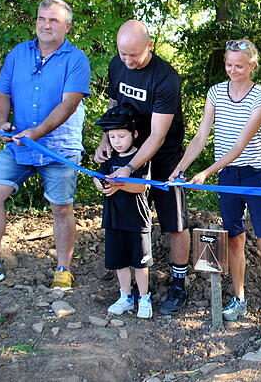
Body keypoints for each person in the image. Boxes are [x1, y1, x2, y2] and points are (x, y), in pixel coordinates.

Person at [0, 0, 91, 290]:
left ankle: (63, 269)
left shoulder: (76, 59)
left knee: (60, 208)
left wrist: (38, 132)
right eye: (42, 18)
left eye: (54, 20)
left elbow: (69, 104)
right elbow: (2, 91)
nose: (46, 25)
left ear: (67, 26)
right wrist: (3, 123)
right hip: (19, 145)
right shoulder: (18, 53)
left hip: (58, 149)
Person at [168, 38, 261, 338]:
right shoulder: (216, 92)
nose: (233, 70)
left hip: (257, 176)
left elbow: (239, 145)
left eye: (239, 66)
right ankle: (239, 298)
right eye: (229, 65)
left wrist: (206, 171)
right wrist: (180, 168)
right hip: (228, 177)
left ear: (252, 66)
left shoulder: (260, 97)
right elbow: (201, 135)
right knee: (234, 239)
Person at [94, 20, 190, 315]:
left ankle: (178, 283)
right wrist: (105, 141)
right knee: (124, 215)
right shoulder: (117, 64)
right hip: (125, 148)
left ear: (150, 46)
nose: (127, 60)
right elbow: (113, 105)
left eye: (133, 55)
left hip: (164, 156)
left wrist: (132, 169)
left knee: (174, 223)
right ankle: (129, 287)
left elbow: (158, 134)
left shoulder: (165, 78)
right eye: (122, 54)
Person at [93, 105, 153, 319]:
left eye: (121, 136)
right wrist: (102, 185)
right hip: (113, 219)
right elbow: (96, 178)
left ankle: (144, 298)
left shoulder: (140, 157)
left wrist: (119, 184)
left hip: (137, 220)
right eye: (112, 137)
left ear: (134, 134)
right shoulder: (109, 157)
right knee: (120, 262)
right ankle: (125, 296)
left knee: (140, 262)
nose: (117, 141)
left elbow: (142, 186)